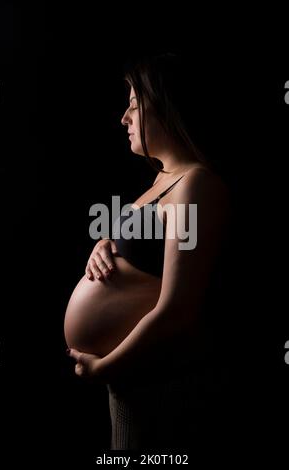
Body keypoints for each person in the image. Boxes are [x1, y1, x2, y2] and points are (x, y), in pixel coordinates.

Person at [65, 53, 231, 451]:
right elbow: (148, 249)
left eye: (135, 106)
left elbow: (179, 308)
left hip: (155, 380)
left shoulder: (195, 185)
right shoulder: (164, 179)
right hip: (133, 376)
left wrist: (105, 367)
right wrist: (104, 244)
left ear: (166, 108)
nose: (124, 118)